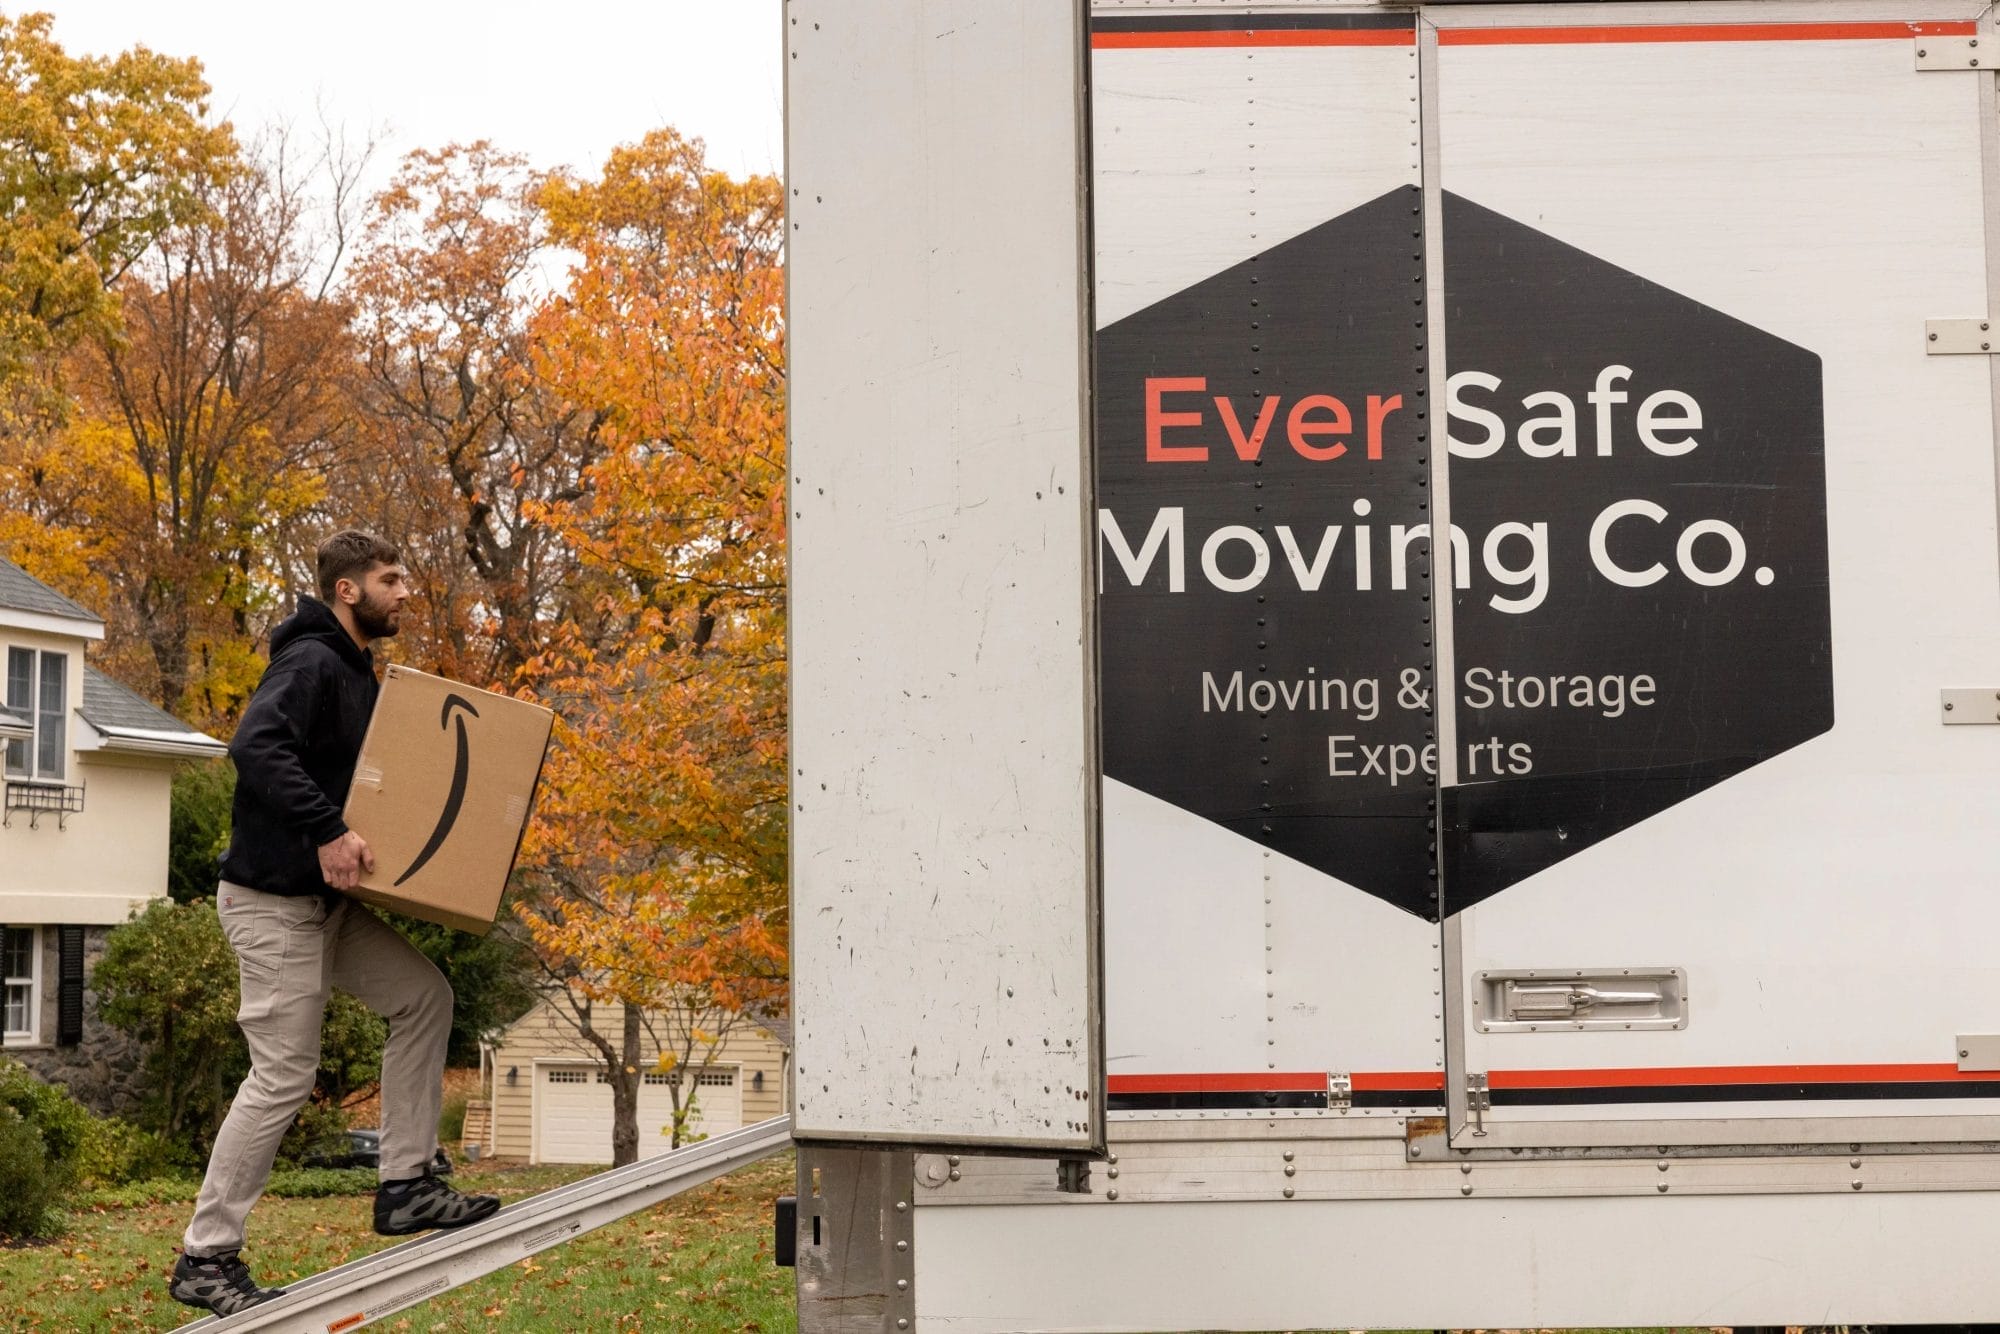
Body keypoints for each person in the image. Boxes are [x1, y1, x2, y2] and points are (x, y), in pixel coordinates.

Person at [170, 531, 501, 1316]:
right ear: (347, 591)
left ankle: (407, 1185)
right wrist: (327, 830)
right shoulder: (312, 661)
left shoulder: (360, 673)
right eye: (390, 579)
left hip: (324, 905)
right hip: (271, 905)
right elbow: (255, 746)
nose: (404, 592)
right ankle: (205, 1256)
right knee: (284, 1073)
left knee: (423, 997)